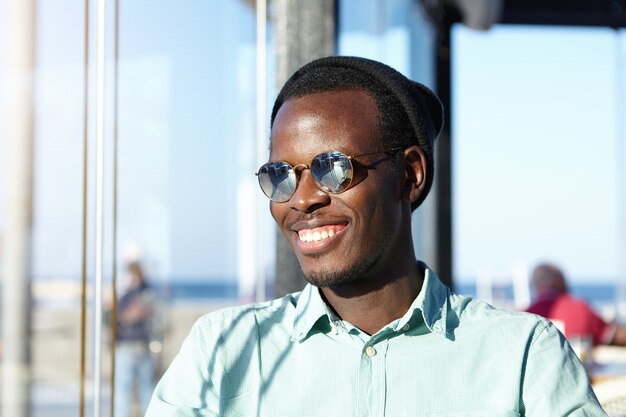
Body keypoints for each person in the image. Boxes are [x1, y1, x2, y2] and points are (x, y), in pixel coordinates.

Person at [145, 56, 606, 416]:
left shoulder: (523, 358)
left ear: (410, 175)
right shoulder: (225, 352)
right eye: (280, 175)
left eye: (333, 168)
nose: (302, 199)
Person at [526, 262, 626, 346]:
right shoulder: (580, 309)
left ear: (536, 285)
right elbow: (613, 335)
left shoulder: (525, 316)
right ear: (561, 282)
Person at [115, 261, 158, 417]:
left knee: (127, 388)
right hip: (134, 345)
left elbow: (127, 316)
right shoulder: (144, 293)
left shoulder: (135, 294)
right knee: (137, 387)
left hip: (134, 345)